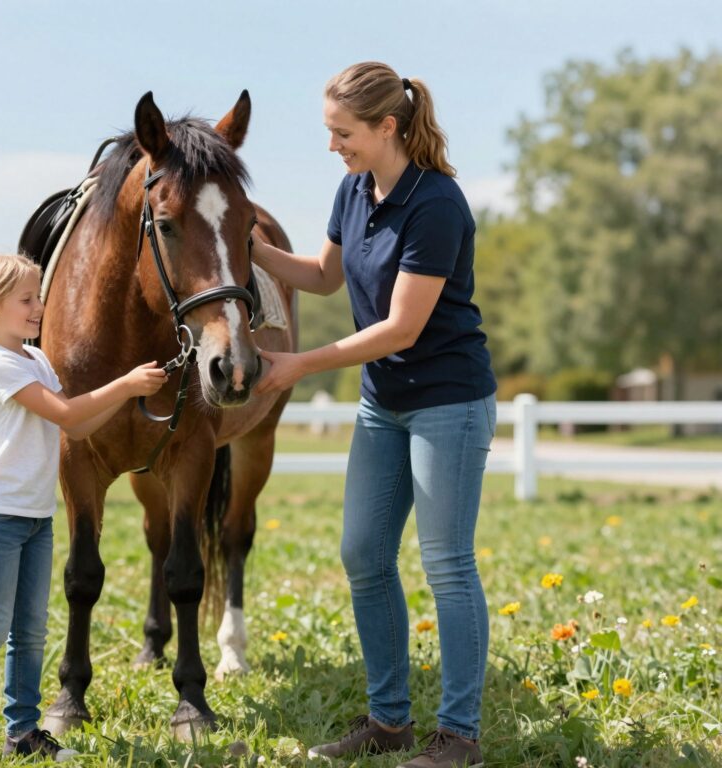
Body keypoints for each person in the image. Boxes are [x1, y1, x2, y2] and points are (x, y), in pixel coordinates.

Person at [252, 62, 497, 768]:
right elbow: (326, 277)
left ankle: (459, 737)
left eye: (343, 132)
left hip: (447, 401)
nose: (333, 145)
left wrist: (299, 363)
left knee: (447, 564)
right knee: (363, 554)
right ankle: (389, 722)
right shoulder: (353, 190)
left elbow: (400, 329)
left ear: (387, 126)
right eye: (330, 132)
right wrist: (249, 248)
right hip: (384, 404)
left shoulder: (437, 204)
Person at [0, 253, 167, 767]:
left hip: (35, 516)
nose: (39, 307)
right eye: (27, 300)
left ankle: (21, 730)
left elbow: (77, 428)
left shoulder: (35, 359)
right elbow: (62, 411)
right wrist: (125, 385)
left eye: (39, 296)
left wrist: (128, 399)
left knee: (31, 628)